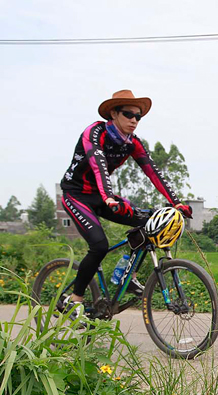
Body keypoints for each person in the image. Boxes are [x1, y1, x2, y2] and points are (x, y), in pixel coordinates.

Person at [59, 90, 192, 315]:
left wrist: (176, 203)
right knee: (99, 246)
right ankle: (74, 299)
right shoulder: (95, 132)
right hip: (77, 195)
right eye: (128, 114)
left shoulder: (132, 143)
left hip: (102, 196)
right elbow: (98, 164)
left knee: (148, 223)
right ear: (113, 113)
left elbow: (153, 172)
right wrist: (109, 197)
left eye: (138, 116)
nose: (134, 120)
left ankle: (125, 275)